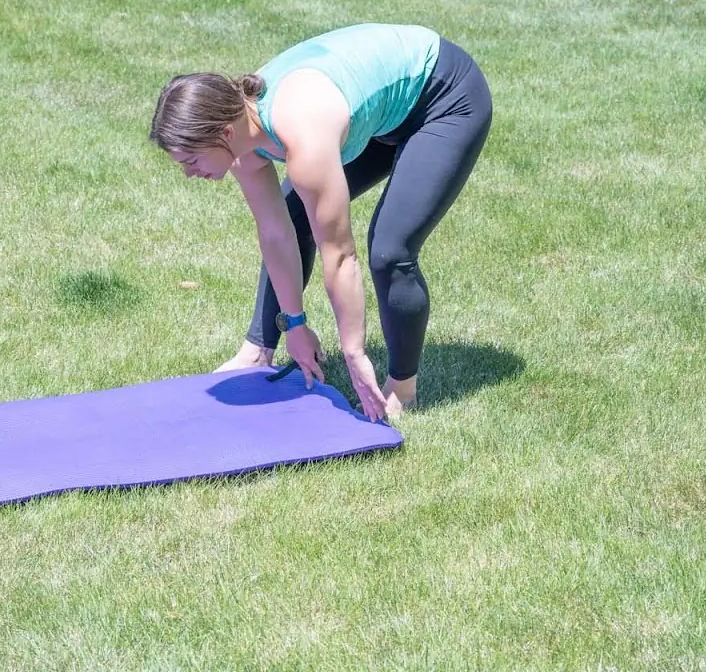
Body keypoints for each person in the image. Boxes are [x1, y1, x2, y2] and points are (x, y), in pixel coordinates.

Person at [149, 23, 492, 422]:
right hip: (376, 115)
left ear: (224, 132)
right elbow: (276, 234)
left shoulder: (303, 134)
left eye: (191, 161)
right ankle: (260, 348)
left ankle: (403, 387)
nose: (190, 174)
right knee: (295, 217)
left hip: (443, 97)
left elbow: (340, 255)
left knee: (390, 248)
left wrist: (353, 351)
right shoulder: (242, 140)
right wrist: (295, 325)